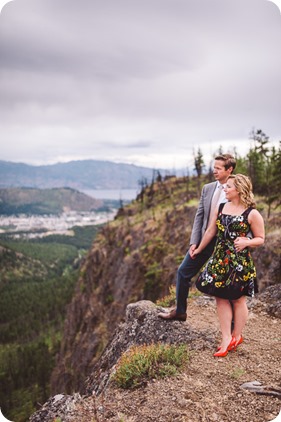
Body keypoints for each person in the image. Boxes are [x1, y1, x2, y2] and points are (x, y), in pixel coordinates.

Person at [158, 153, 236, 321]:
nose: (214, 171)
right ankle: (180, 311)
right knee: (183, 272)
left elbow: (247, 215)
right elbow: (199, 216)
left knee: (227, 282)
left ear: (229, 170)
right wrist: (194, 242)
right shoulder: (207, 188)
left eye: (218, 168)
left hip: (225, 243)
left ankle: (232, 327)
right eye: (213, 167)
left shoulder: (237, 189)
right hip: (204, 240)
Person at [194, 174, 265, 357]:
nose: (224, 189)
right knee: (220, 296)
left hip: (239, 262)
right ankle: (226, 337)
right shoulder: (221, 207)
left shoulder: (252, 213)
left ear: (239, 190)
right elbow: (211, 230)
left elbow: (261, 239)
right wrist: (199, 249)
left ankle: (236, 335)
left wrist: (247, 242)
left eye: (228, 187)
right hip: (220, 259)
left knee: (238, 299)